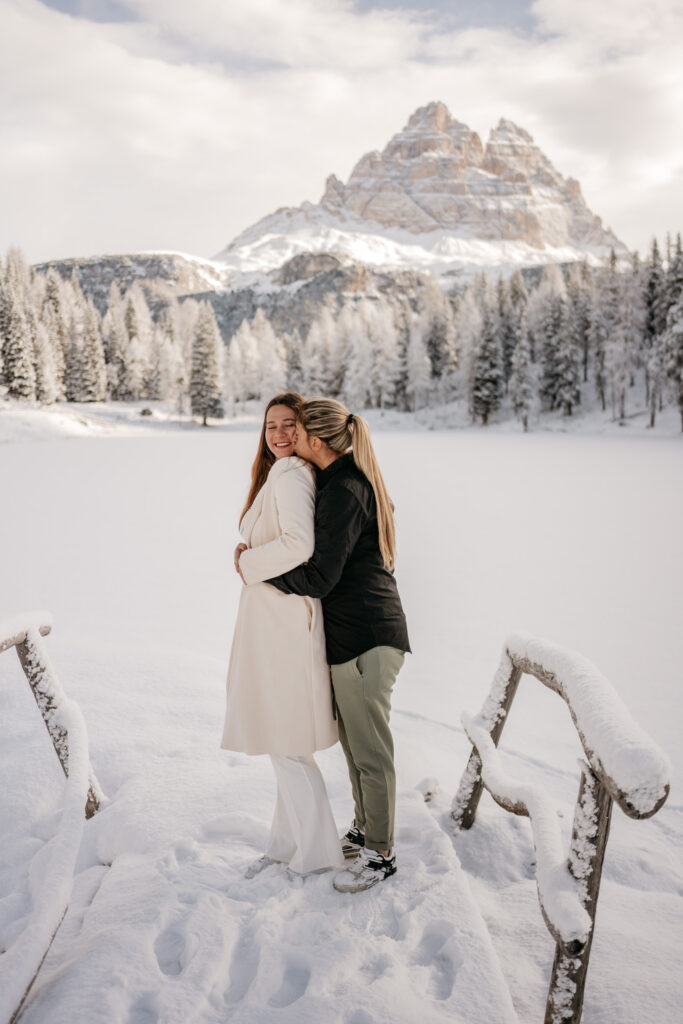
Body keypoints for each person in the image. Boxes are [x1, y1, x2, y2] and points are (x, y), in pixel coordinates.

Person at [255, 397, 410, 894]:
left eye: (295, 430)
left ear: (314, 440)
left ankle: (382, 853)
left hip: (368, 637)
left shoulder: (345, 489)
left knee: (370, 751)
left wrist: (256, 569)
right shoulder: (340, 483)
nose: (286, 438)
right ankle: (366, 830)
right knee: (354, 745)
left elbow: (319, 577)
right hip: (354, 637)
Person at [222, 392, 343, 878]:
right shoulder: (279, 473)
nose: (279, 434)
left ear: (305, 429)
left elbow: (300, 543)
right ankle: (285, 844)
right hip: (272, 619)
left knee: (287, 742)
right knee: (282, 736)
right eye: (271, 425)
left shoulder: (293, 475)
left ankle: (317, 858)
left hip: (284, 622)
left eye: (289, 424)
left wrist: (247, 564)